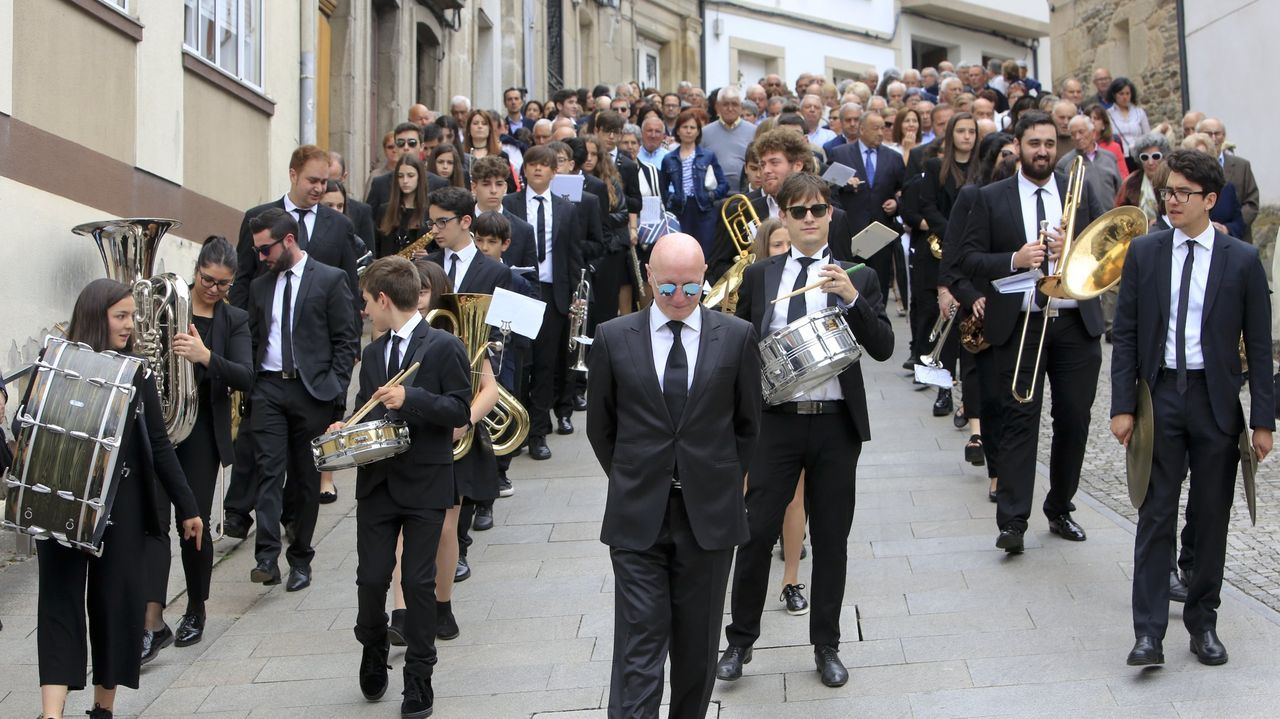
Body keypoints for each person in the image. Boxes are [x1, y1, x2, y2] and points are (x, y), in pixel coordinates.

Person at [717, 173, 894, 688]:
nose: (810, 218)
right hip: (776, 425)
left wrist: (852, 299)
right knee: (753, 535)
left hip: (836, 426)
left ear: (831, 214)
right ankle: (740, 641)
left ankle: (827, 645)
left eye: (818, 209)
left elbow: (883, 347)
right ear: (784, 216)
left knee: (832, 540)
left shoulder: (857, 274)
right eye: (798, 211)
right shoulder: (761, 275)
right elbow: (743, 350)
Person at [586, 232, 761, 719]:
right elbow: (601, 428)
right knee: (640, 644)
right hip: (638, 514)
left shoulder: (738, 336)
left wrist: (719, 479)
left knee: (697, 647)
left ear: (706, 278)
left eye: (690, 288)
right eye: (667, 289)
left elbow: (748, 427)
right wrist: (636, 475)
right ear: (649, 279)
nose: (679, 298)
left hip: (709, 518)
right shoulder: (614, 337)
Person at [1110, 149, 1273, 667]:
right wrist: (1122, 406)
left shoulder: (1243, 261)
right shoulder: (1146, 252)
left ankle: (1203, 623)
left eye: (1182, 193)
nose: (1171, 200)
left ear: (1210, 200)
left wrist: (1265, 420)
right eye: (1168, 191)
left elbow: (1262, 347)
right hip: (1160, 399)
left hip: (1216, 402)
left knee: (1209, 518)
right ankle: (1148, 634)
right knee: (1154, 513)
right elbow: (1129, 335)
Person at [36, 279, 203, 719]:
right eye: (121, 316)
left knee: (115, 606)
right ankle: (50, 715)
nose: (131, 325)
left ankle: (101, 711)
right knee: (58, 603)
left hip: (121, 505)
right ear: (96, 316)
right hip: (62, 500)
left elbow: (160, 444)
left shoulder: (138, 371)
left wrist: (188, 507)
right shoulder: (54, 361)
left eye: (132, 315)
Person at [954, 111, 1108, 554]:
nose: (1042, 151)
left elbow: (1104, 252)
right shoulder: (990, 197)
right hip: (1021, 321)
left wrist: (1073, 250)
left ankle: (1060, 507)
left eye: (1049, 144)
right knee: (1017, 420)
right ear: (1018, 145)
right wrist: (1015, 260)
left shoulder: (1077, 193)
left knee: (1075, 420)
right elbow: (967, 259)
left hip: (1075, 322)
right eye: (1034, 143)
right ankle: (1013, 521)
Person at [335, 256, 470, 719]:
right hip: (377, 484)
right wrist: (346, 428)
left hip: (426, 483)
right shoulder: (373, 354)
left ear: (385, 299)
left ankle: (419, 678)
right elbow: (367, 411)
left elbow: (459, 411)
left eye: (367, 302)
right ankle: (373, 647)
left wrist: (410, 397)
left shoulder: (443, 346)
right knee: (370, 579)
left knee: (417, 582)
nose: (365, 311)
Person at [140, 237, 254, 662]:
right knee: (153, 522)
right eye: (208, 280)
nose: (214, 289)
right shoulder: (166, 308)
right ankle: (152, 621)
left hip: (202, 433)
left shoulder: (234, 320)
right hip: (159, 429)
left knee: (194, 524)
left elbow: (247, 376)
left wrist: (206, 356)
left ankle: (196, 607)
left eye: (224, 284)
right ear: (197, 270)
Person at [245, 208, 359, 591]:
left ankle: (301, 559)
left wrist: (335, 389)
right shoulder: (261, 286)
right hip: (269, 388)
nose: (261, 258)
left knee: (307, 480)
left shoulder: (329, 279)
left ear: (288, 240)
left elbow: (346, 340)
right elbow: (256, 338)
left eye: (265, 250)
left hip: (313, 392)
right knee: (268, 471)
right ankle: (266, 556)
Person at [501, 145, 587, 461]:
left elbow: (574, 254)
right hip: (519, 289)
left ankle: (538, 432)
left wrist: (576, 292)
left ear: (554, 171)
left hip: (553, 292)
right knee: (520, 362)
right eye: (532, 164)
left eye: (545, 165)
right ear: (524, 170)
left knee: (547, 364)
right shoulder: (509, 204)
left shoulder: (566, 209)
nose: (538, 169)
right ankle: (517, 429)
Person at [751, 218, 811, 614]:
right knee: (750, 499)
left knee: (795, 500)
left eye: (789, 243)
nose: (784, 250)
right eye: (777, 244)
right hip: (758, 402)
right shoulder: (756, 281)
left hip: (800, 398)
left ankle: (790, 579)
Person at [914, 112, 978, 421]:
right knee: (941, 325)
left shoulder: (983, 169)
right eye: (961, 131)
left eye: (971, 131)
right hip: (941, 251)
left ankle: (969, 395)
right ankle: (943, 389)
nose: (967, 136)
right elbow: (926, 206)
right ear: (951, 135)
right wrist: (954, 228)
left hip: (973, 253)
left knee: (967, 324)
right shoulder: (935, 166)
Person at [828, 111, 906, 304]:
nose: (881, 133)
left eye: (883, 128)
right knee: (852, 282)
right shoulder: (841, 153)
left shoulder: (894, 157)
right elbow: (828, 186)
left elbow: (904, 190)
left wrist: (897, 204)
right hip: (851, 233)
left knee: (878, 286)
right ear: (861, 129)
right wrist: (845, 183)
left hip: (880, 233)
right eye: (875, 128)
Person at [659, 109, 730, 256]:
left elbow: (724, 184)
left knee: (705, 252)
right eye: (685, 127)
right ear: (677, 131)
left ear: (698, 132)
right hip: (680, 210)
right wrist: (672, 200)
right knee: (681, 252)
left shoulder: (708, 156)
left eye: (692, 128)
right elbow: (662, 188)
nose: (688, 131)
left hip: (703, 209)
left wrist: (710, 196)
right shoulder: (669, 158)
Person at [1057, 115, 1123, 211]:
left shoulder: (1109, 157)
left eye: (1081, 132)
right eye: (1073, 134)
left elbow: (1119, 191)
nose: (1077, 137)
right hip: (1084, 222)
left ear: (1093, 133)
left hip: (1110, 217)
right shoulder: (1064, 163)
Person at [375, 154, 431, 258]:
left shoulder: (430, 211)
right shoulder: (384, 210)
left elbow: (439, 249)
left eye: (410, 175)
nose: (405, 181)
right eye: (400, 176)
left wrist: (429, 256)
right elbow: (377, 248)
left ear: (420, 177)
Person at [1117, 132, 1172, 225]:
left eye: (1155, 156)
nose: (1150, 162)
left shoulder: (1173, 179)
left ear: (1164, 156)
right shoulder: (1131, 182)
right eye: (1145, 157)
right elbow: (1119, 213)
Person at [1105, 77, 1150, 163]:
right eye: (1121, 94)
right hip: (1118, 157)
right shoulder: (1108, 114)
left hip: (1138, 156)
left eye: (1127, 93)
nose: (1125, 97)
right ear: (1114, 95)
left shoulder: (1139, 112)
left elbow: (1147, 135)